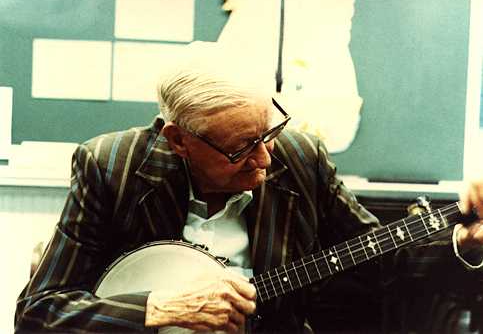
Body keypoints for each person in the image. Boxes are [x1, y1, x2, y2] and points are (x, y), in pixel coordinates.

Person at [15, 44, 483, 333]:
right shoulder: (110, 166)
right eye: (240, 148)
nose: (264, 160)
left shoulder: (300, 159)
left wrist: (462, 240)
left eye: (268, 132)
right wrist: (157, 310)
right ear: (177, 139)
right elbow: (39, 312)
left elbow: (387, 262)